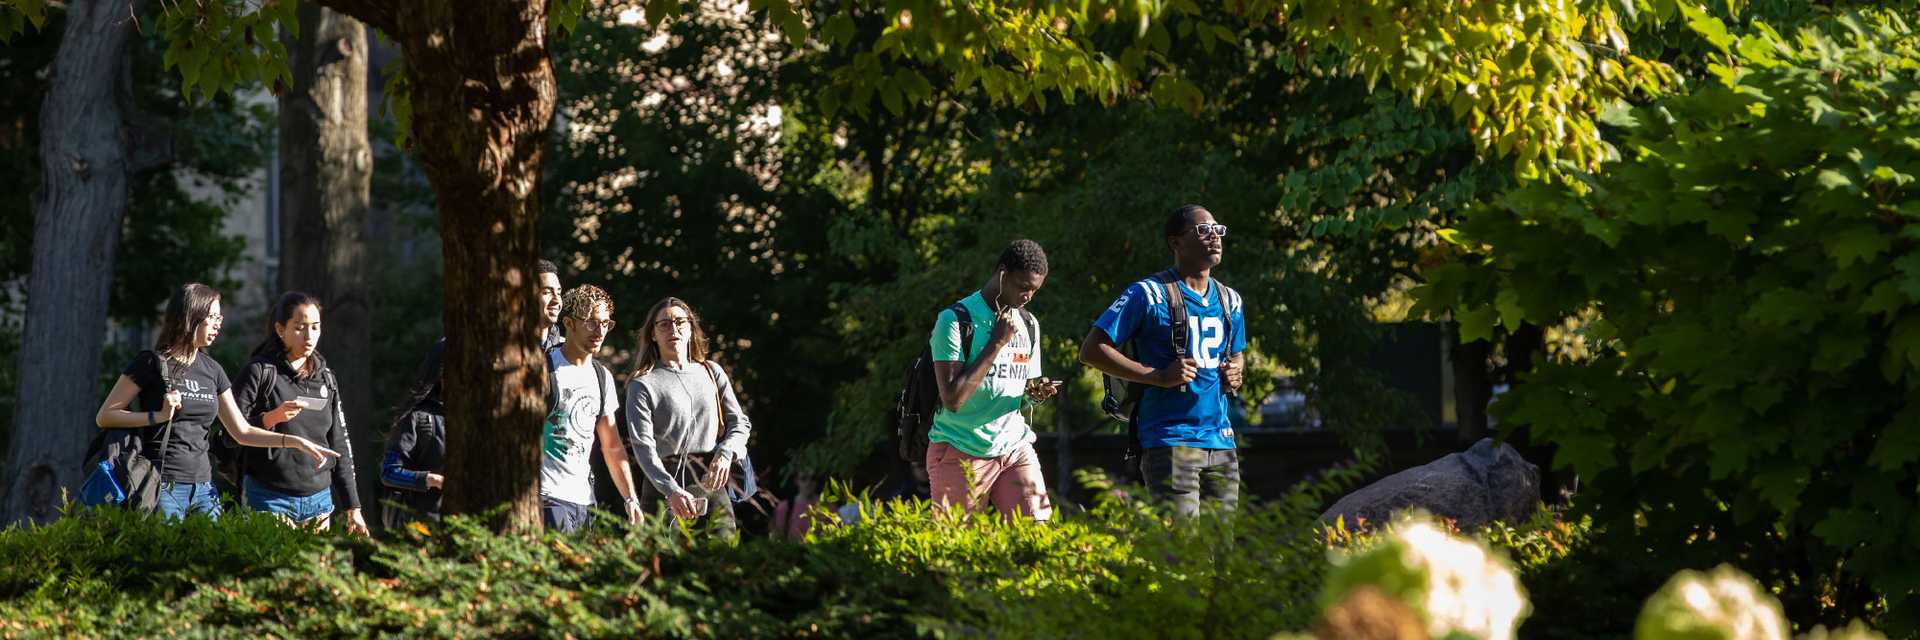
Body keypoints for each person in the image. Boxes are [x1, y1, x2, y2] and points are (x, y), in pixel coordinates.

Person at [92, 283, 339, 520]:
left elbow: (241, 431)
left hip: (203, 487)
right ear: (191, 317)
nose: (218, 325)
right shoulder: (152, 363)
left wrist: (294, 442)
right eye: (212, 317)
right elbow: (106, 415)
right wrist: (158, 416)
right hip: (162, 483)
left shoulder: (213, 370)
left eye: (220, 318)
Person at [1079, 205, 1247, 516]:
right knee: (1183, 553)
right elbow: (1091, 349)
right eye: (1202, 230)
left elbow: (1237, 352)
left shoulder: (1230, 299)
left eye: (1217, 230)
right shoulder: (1148, 293)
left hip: (1222, 442)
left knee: (1224, 553)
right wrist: (1158, 375)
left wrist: (1235, 371)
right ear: (1175, 243)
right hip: (1171, 441)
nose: (1214, 236)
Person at [925, 239, 1058, 521]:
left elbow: (1018, 392)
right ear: (1002, 273)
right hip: (960, 450)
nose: (1028, 296)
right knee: (958, 555)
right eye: (1023, 286)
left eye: (1035, 290)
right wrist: (996, 343)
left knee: (1037, 538)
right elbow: (953, 400)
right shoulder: (955, 320)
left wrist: (1034, 394)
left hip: (1014, 448)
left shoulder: (1029, 324)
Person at [232, 292, 367, 534]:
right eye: (299, 327)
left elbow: (339, 444)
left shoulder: (327, 378)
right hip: (269, 496)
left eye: (315, 327)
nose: (309, 336)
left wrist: (353, 506)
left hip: (319, 500)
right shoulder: (260, 372)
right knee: (274, 568)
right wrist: (273, 417)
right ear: (280, 329)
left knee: (312, 572)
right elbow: (231, 431)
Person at [624, 297, 752, 539]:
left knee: (721, 564)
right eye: (664, 324)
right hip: (664, 488)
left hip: (711, 483)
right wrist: (671, 490)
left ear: (691, 328)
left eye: (680, 322)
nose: (673, 329)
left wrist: (726, 453)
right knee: (666, 570)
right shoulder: (642, 384)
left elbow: (740, 423)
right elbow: (643, 449)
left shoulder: (711, 372)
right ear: (653, 334)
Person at [539, 285, 643, 532]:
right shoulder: (545, 368)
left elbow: (612, 444)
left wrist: (630, 498)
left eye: (606, 323)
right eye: (591, 322)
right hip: (547, 496)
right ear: (569, 323)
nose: (600, 331)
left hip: (586, 501)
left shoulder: (601, 376)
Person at [380, 338, 447, 528]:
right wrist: (430, 480)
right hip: (420, 528)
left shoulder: (477, 418)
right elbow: (389, 471)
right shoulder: (418, 417)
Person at [537, 259, 565, 351]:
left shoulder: (569, 352)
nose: (557, 300)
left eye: (558, 293)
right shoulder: (506, 351)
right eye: (547, 292)